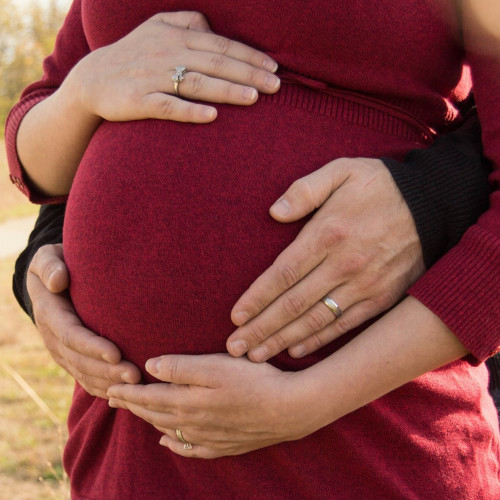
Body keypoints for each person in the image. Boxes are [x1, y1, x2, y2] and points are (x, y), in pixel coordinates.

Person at [6, 1, 500, 499]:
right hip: (132, 450)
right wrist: (81, 95)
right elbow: (41, 126)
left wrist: (311, 399)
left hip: (367, 447)